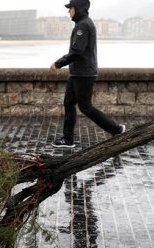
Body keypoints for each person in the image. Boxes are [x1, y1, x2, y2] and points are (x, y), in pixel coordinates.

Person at [50, 0, 125, 148]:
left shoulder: (83, 25)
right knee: (69, 103)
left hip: (83, 73)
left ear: (77, 8)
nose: (68, 11)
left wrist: (58, 63)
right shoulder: (82, 23)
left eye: (70, 8)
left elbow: (77, 51)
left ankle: (116, 129)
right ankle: (68, 139)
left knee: (85, 107)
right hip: (77, 72)